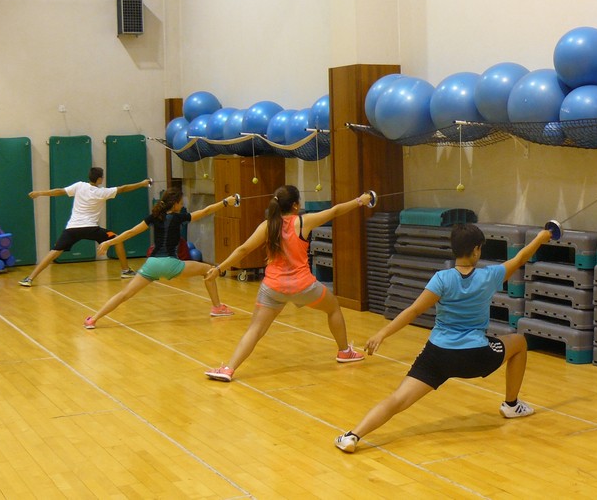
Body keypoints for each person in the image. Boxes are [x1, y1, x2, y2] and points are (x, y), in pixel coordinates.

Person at [334, 223, 553, 453]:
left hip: (437, 356)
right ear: (477, 250)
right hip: (475, 356)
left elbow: (414, 311)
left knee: (398, 399)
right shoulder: (490, 276)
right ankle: (511, 405)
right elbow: (519, 259)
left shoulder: (442, 279)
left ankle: (352, 436)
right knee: (519, 342)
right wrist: (540, 237)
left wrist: (382, 333)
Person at [203, 185, 372, 382]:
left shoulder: (267, 226)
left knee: (255, 329)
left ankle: (228, 369)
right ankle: (344, 352)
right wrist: (361, 200)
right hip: (304, 288)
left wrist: (218, 269)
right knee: (333, 308)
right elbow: (335, 211)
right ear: (295, 205)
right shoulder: (303, 222)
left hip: (272, 289)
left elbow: (243, 250)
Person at [83, 187, 237, 329]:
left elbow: (130, 232)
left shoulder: (154, 217)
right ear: (175, 204)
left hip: (152, 264)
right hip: (171, 264)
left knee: (124, 294)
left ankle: (94, 319)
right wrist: (225, 202)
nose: (182, 205)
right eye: (181, 203)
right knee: (209, 270)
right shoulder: (178, 217)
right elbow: (206, 211)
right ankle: (217, 307)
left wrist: (109, 242)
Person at [19, 167, 150, 287]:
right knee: (117, 239)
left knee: (54, 252)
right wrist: (142, 183)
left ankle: (29, 278)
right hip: (90, 229)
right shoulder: (103, 192)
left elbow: (59, 191)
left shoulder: (79, 185)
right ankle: (125, 270)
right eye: (102, 177)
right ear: (99, 179)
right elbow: (123, 188)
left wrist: (40, 193)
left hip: (72, 229)